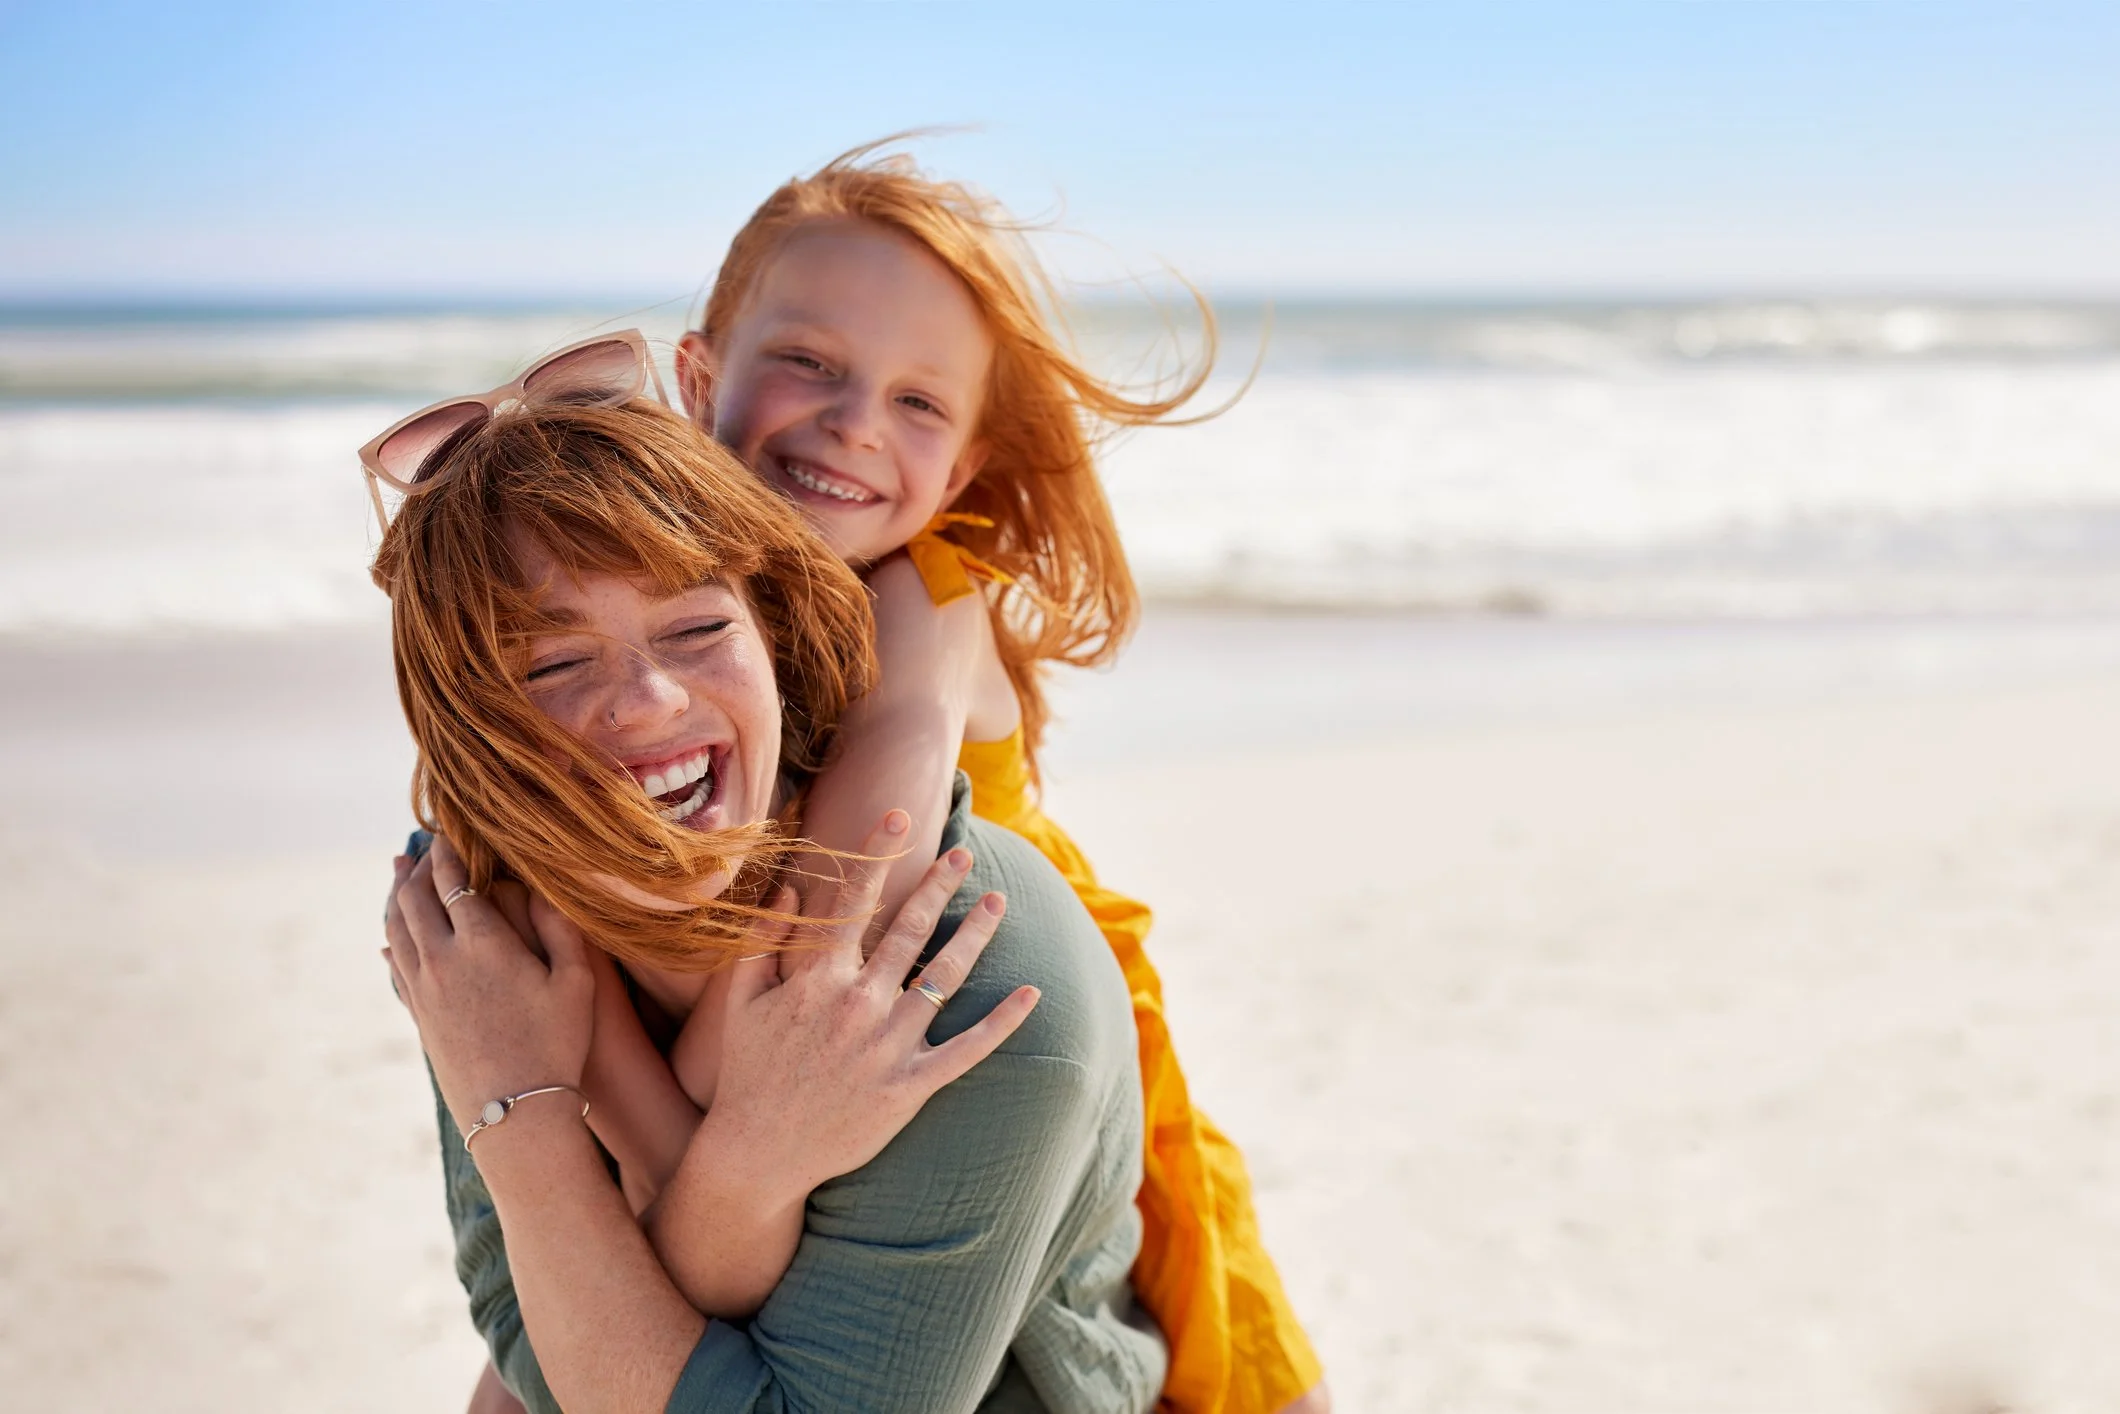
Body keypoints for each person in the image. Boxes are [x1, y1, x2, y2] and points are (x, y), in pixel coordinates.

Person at [365, 367, 1164, 1412]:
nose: (649, 700)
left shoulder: (971, 975)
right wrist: (734, 1168)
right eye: (555, 663)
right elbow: (527, 1348)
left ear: (773, 641)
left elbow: (564, 1382)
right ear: (472, 734)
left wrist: (532, 1139)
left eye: (698, 630)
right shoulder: (481, 952)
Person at [673, 142, 1327, 1414]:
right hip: (828, 1017)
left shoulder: (926, 596)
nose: (855, 419)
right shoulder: (685, 590)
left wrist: (708, 1070)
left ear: (962, 471)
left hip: (1003, 1007)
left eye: (919, 402)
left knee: (1213, 1311)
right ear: (700, 375)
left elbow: (879, 837)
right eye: (808, 359)